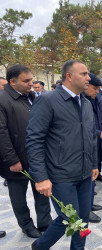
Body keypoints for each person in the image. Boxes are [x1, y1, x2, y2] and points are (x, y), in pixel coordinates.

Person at [26, 60, 98, 249]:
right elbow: (34, 140)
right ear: (69, 76)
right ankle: (40, 246)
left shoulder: (86, 103)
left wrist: (93, 164)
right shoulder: (47, 100)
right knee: (69, 217)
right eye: (84, 74)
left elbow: (91, 137)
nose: (88, 78)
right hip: (61, 174)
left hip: (84, 172)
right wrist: (41, 177)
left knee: (82, 218)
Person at [0, 65, 52, 239]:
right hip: (16, 160)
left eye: (31, 80)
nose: (32, 83)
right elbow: (1, 133)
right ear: (12, 82)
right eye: (26, 81)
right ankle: (26, 225)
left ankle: (45, 221)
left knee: (42, 190)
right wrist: (12, 160)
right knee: (18, 196)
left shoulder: (32, 97)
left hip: (36, 155)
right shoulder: (3, 100)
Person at [83, 73, 102, 223]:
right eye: (95, 88)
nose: (97, 91)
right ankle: (85, 211)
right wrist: (100, 133)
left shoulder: (93, 99)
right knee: (87, 180)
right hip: (84, 146)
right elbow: (81, 128)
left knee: (91, 179)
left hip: (94, 143)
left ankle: (88, 203)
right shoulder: (81, 101)